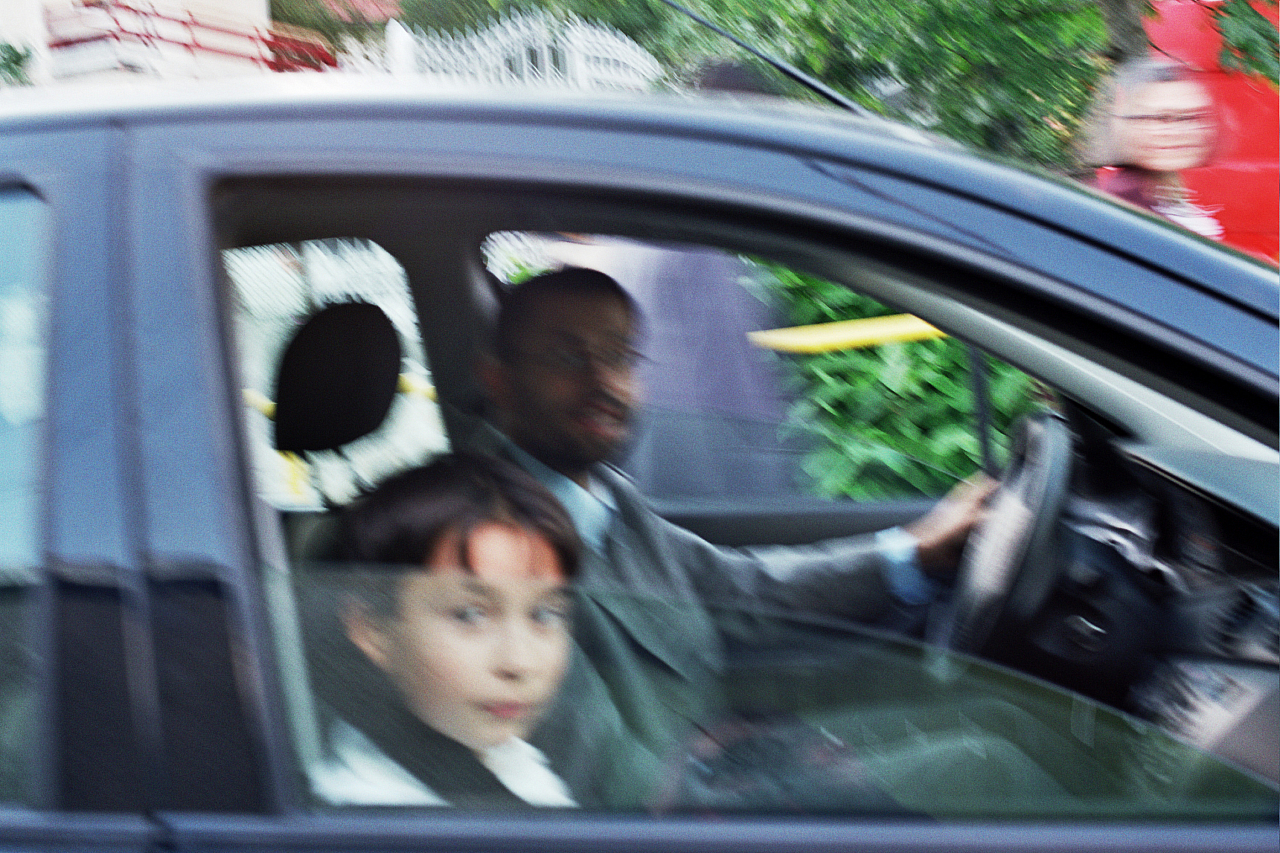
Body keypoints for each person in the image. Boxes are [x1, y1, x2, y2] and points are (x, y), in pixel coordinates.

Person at [470, 266, 1011, 810]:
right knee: (986, 764)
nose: (603, 383)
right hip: (690, 814)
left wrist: (913, 553)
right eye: (567, 357)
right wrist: (786, 778)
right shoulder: (488, 546)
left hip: (721, 755)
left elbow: (742, 589)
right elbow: (619, 784)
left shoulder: (603, 496)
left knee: (995, 718)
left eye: (619, 356)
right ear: (500, 381)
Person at [307, 453, 581, 808]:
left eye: (544, 615)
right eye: (470, 615)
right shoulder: (365, 811)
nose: (519, 662)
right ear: (373, 629)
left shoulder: (512, 761)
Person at [1086, 57, 1224, 240]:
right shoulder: (1121, 212)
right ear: (1126, 121)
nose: (1178, 131)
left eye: (1192, 117)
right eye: (1162, 118)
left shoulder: (1160, 198)